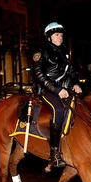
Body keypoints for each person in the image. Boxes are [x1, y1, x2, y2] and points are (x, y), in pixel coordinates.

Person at [31, 22, 83, 168]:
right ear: (49, 37)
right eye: (56, 35)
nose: (60, 38)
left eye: (61, 35)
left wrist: (76, 84)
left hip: (65, 89)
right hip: (46, 90)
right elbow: (39, 75)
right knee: (59, 109)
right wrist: (57, 89)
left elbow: (71, 73)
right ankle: (54, 153)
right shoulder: (41, 53)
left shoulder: (64, 52)